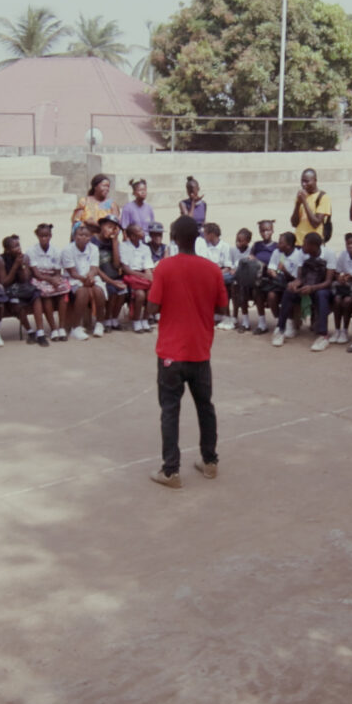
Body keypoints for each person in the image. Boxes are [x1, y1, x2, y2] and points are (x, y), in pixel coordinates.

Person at [148, 216, 229, 489]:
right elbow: (222, 308)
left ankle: (171, 471)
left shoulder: (164, 267)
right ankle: (210, 461)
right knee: (205, 406)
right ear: (197, 237)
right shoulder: (212, 269)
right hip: (200, 350)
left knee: (170, 409)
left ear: (173, 237)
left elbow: (151, 308)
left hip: (171, 351)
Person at [275, 233, 334, 349]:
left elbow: (328, 281)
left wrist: (312, 288)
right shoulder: (302, 254)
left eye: (305, 244)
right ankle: (280, 329)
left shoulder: (329, 254)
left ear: (313, 246)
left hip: (321, 288)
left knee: (322, 295)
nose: (302, 246)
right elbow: (300, 277)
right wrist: (295, 284)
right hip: (306, 286)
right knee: (289, 291)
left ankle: (323, 336)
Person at [116, 221, 157, 332]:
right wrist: (143, 275)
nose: (142, 232)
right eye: (139, 230)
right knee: (139, 294)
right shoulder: (123, 247)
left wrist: (149, 276)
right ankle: (136, 320)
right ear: (133, 236)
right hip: (131, 276)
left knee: (152, 292)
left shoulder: (145, 248)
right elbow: (126, 268)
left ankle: (145, 319)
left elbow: (148, 266)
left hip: (142, 275)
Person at [118, 178, 164, 250]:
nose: (143, 192)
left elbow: (152, 227)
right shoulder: (128, 208)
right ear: (134, 192)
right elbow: (125, 230)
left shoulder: (149, 208)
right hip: (134, 242)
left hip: (148, 243)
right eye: (140, 190)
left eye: (145, 190)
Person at [290, 168, 333, 244]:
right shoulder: (301, 196)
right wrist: (298, 204)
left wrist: (304, 202)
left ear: (315, 180)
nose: (303, 184)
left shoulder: (323, 197)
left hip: (314, 245)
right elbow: (294, 223)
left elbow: (315, 223)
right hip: (299, 243)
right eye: (302, 181)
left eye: (307, 181)